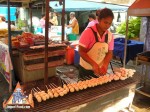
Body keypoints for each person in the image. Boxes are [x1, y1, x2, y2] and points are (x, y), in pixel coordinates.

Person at [78, 8, 114, 78]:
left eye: (109, 23)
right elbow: (81, 51)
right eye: (105, 22)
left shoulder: (110, 35)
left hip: (100, 69)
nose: (107, 26)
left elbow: (110, 52)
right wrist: (93, 64)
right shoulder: (88, 32)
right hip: (86, 69)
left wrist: (105, 65)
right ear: (99, 20)